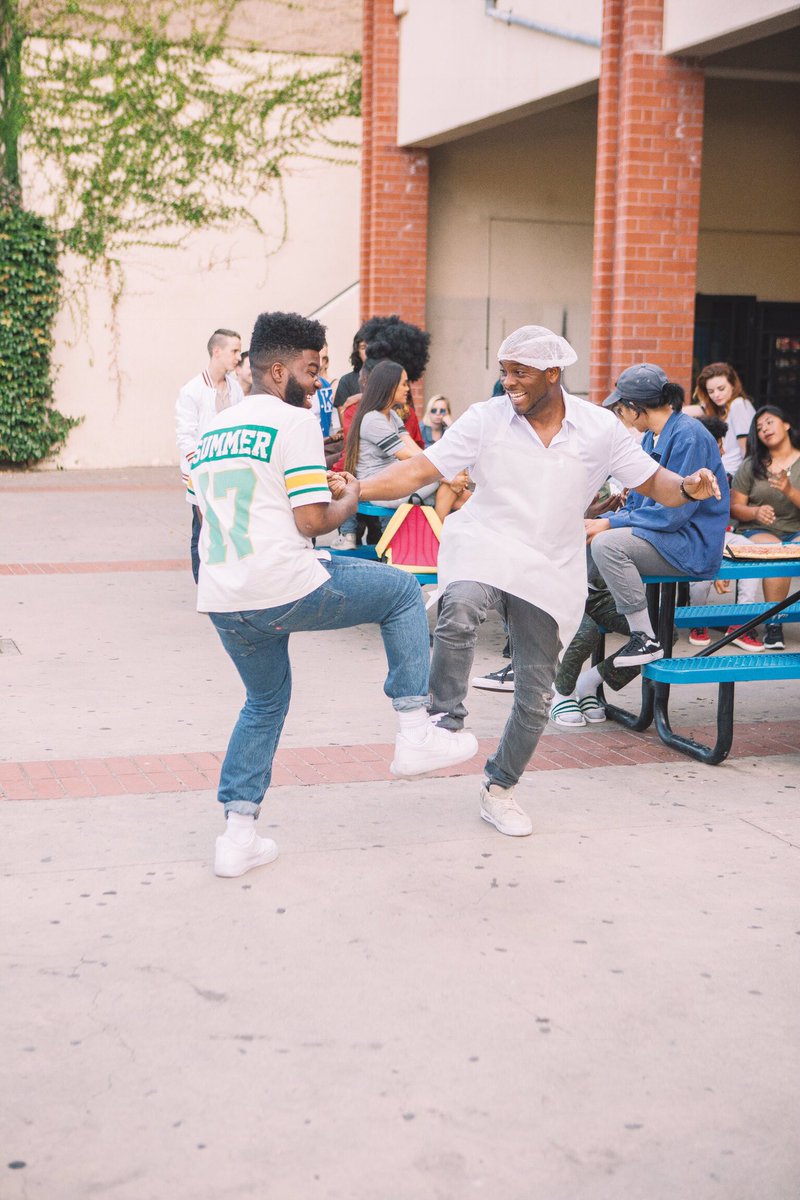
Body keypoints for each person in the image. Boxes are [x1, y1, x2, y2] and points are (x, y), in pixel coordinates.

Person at [359, 327, 721, 838]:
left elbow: (653, 482)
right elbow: (419, 469)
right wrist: (356, 488)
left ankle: (499, 788)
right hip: (486, 542)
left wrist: (688, 486)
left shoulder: (598, 427)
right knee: (458, 608)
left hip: (550, 564)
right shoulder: (486, 418)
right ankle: (442, 723)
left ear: (553, 374)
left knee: (535, 697)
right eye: (504, 371)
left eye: (519, 372)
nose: (508, 382)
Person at [191, 311, 477, 879]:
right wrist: (345, 496)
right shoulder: (292, 421)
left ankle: (237, 835)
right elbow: (313, 521)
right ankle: (415, 730)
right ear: (278, 371)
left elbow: (216, 511)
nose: (320, 379)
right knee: (401, 590)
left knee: (264, 703)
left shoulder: (215, 428)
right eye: (311, 368)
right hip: (280, 583)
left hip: (223, 594)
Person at [587, 363, 729, 672]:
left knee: (606, 545)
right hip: (666, 537)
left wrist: (610, 523)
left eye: (620, 410)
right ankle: (591, 675)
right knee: (590, 540)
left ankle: (645, 637)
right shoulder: (653, 437)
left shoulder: (688, 435)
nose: (621, 417)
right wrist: (607, 517)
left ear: (634, 408)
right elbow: (640, 504)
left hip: (689, 545)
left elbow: (672, 514)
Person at [344, 360, 466, 524]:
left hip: (396, 479)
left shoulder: (393, 416)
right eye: (403, 384)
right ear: (390, 386)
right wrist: (448, 476)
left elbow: (416, 451)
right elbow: (407, 456)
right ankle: (437, 534)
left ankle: (438, 533)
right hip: (379, 488)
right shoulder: (373, 420)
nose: (408, 389)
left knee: (461, 494)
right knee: (452, 488)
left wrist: (448, 472)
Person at [175, 328, 244, 582]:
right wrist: (201, 467)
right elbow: (185, 437)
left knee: (228, 529)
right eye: (234, 351)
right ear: (217, 351)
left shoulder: (235, 388)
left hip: (230, 471)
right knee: (202, 529)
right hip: (201, 473)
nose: (238, 357)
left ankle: (225, 581)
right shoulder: (192, 390)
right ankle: (202, 582)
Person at [729, 405, 800, 650]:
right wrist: (755, 511)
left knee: (792, 548)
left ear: (786, 424)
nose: (764, 430)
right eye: (759, 428)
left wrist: (789, 490)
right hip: (758, 529)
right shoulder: (752, 465)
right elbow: (735, 508)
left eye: (769, 422)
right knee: (777, 551)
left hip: (796, 529)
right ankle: (774, 622)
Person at [689, 362, 755, 477]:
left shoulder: (738, 404)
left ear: (733, 385)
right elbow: (689, 411)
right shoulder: (721, 410)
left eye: (721, 389)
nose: (716, 395)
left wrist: (745, 480)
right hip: (723, 472)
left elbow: (746, 449)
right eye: (711, 391)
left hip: (732, 475)